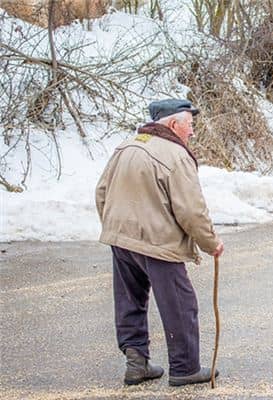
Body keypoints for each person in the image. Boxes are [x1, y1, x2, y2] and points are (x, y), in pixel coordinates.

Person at [95, 99, 224, 387]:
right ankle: (185, 368)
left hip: (121, 238)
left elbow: (101, 192)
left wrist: (115, 226)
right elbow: (191, 210)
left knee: (130, 301)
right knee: (180, 304)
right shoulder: (176, 155)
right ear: (173, 124)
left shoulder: (126, 147)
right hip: (157, 242)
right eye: (190, 125)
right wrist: (210, 242)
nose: (192, 132)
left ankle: (136, 363)